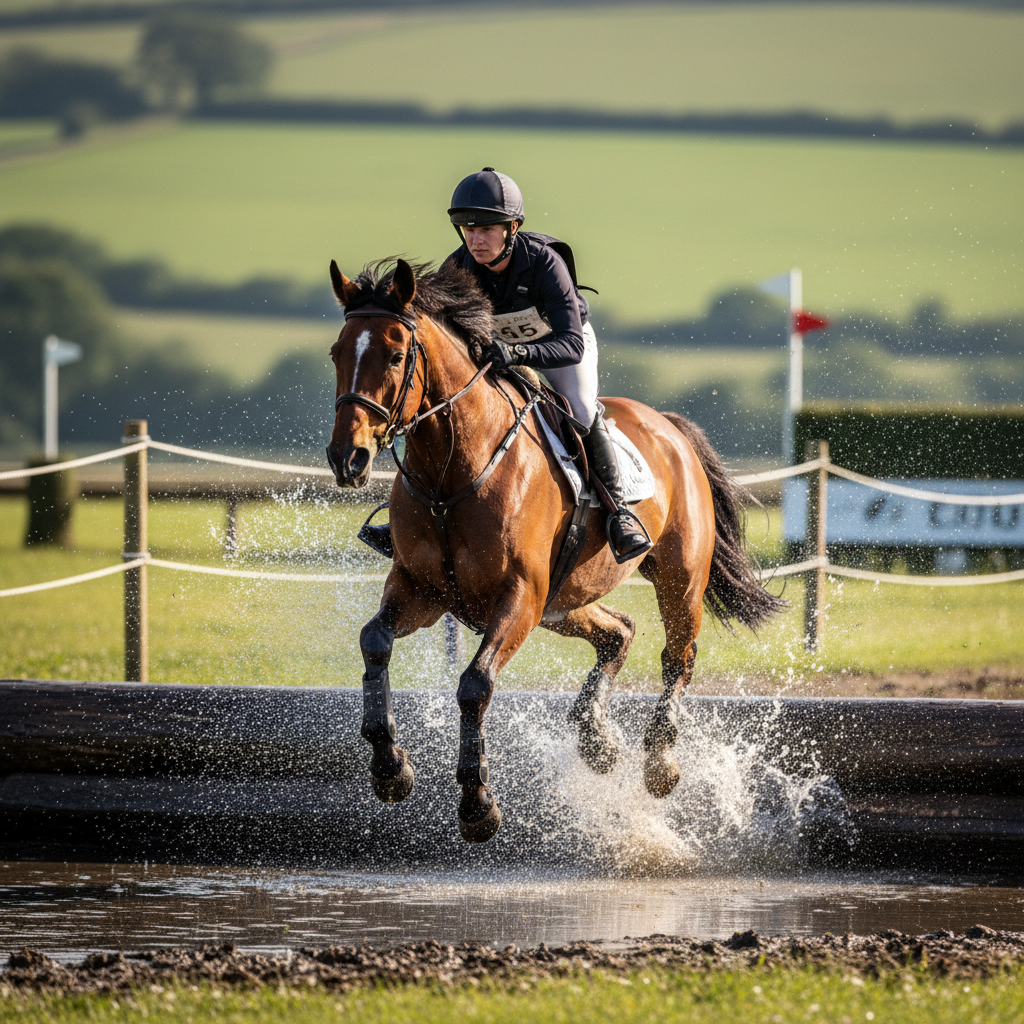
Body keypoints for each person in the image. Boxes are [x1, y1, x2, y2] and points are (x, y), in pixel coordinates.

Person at [359, 168, 651, 564]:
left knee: (580, 408)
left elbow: (570, 343)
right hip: (497, 352)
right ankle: (409, 521)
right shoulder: (458, 268)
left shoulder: (545, 264)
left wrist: (519, 354)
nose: (476, 240)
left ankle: (619, 512)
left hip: (560, 346)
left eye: (487, 230)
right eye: (468, 230)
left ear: (513, 227)